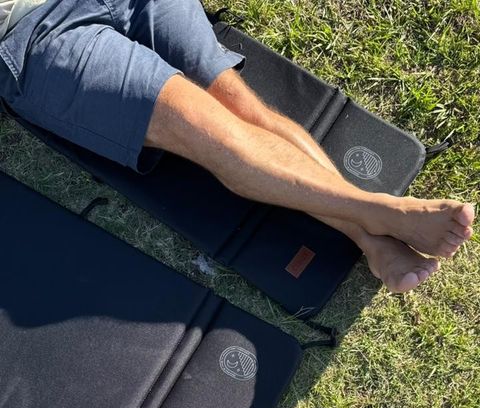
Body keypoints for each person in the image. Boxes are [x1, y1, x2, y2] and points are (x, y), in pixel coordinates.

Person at [0, 0, 475, 293]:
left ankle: (369, 238)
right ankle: (381, 211)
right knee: (215, 132)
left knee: (248, 111)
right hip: (37, 30)